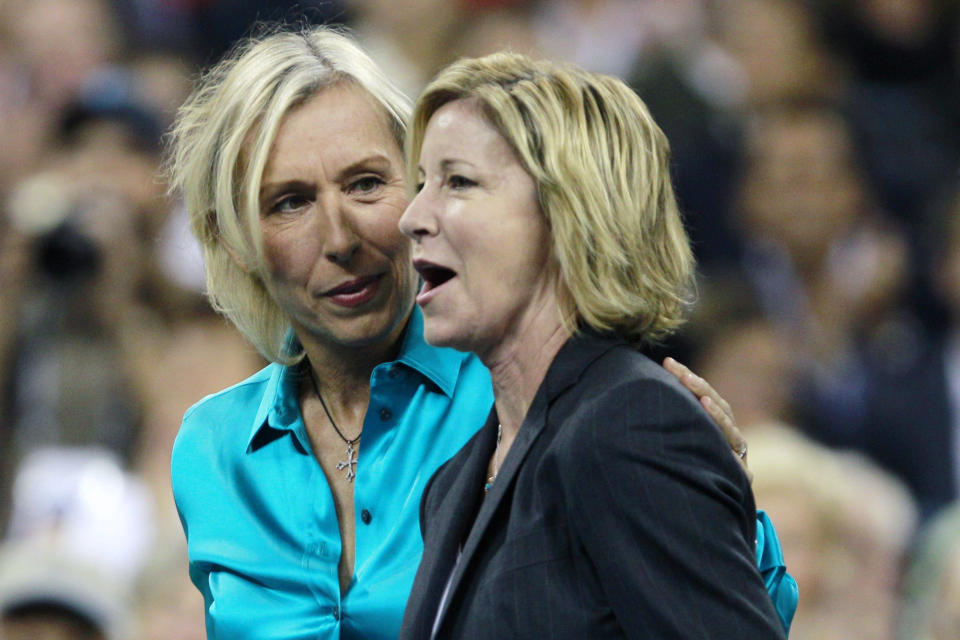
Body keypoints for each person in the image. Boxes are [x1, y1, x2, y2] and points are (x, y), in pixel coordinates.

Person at [166, 26, 795, 639]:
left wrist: (721, 492)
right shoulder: (210, 449)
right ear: (233, 240)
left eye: (366, 184)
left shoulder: (526, 392)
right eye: (289, 202)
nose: (340, 239)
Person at [398, 52, 788, 638]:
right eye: (421, 182)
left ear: (569, 212)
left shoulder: (631, 426)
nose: (411, 216)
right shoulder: (454, 482)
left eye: (459, 181)